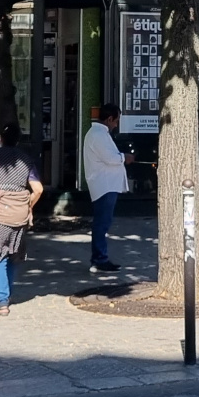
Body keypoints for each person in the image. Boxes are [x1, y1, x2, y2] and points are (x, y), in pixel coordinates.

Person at [0, 125, 43, 316]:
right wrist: (28, 205)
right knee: (13, 254)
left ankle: (2, 301)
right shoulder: (26, 160)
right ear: (18, 141)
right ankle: (8, 294)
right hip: (20, 214)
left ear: (1, 139)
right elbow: (38, 189)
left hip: (0, 213)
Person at [82, 102, 133, 273]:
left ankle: (99, 257)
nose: (116, 125)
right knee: (102, 223)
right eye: (116, 121)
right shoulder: (98, 134)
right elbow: (110, 158)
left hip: (106, 184)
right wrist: (124, 157)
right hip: (104, 185)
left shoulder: (99, 134)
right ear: (109, 119)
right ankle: (99, 259)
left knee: (103, 222)